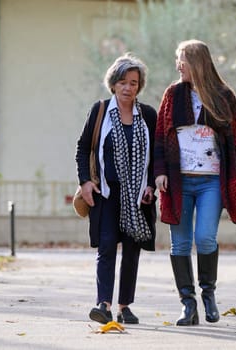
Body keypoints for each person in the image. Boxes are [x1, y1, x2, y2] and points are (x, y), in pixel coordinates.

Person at [154, 39, 236, 326]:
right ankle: (187, 304)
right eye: (177, 60)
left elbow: (235, 139)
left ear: (197, 62)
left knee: (205, 237)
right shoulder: (172, 94)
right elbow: (161, 134)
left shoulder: (223, 96)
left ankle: (208, 294)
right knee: (179, 244)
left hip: (211, 182)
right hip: (178, 182)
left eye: (182, 59)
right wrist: (159, 171)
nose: (178, 65)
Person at [75, 53, 157, 325]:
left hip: (137, 197)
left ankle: (125, 306)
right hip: (106, 194)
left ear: (139, 86)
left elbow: (156, 155)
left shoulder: (147, 115)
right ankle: (104, 304)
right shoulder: (100, 111)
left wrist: (151, 185)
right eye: (122, 82)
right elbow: (83, 148)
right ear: (113, 84)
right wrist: (85, 181)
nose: (128, 88)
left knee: (132, 250)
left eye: (133, 83)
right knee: (107, 246)